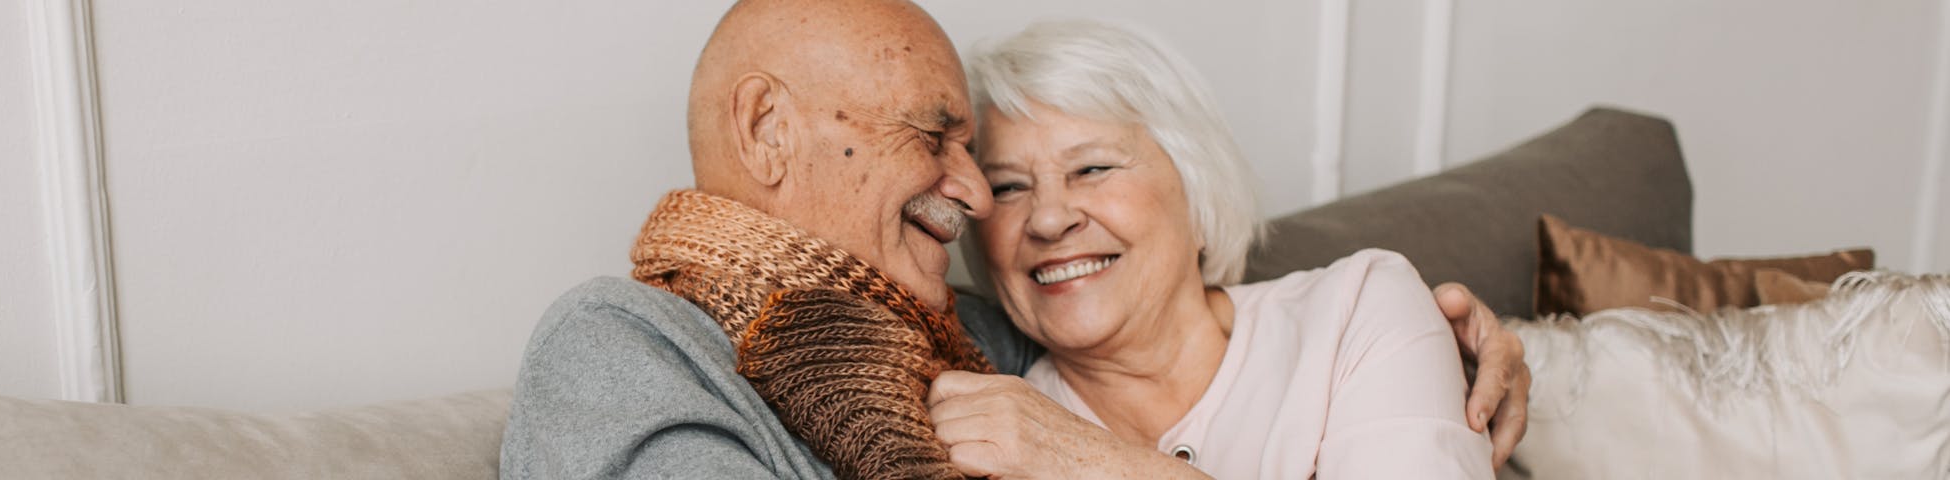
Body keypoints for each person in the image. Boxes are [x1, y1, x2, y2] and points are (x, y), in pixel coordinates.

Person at [500, 1, 1528, 478]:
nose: (987, 204)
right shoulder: (622, 344)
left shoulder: (980, 353)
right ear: (769, 129)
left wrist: (1486, 346)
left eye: (1092, 167)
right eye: (960, 154)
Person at [925, 20, 1503, 478]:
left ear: (1197, 189)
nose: (1048, 218)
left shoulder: (1357, 312)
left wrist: (1096, 466)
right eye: (1007, 187)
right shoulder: (986, 424)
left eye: (1093, 167)